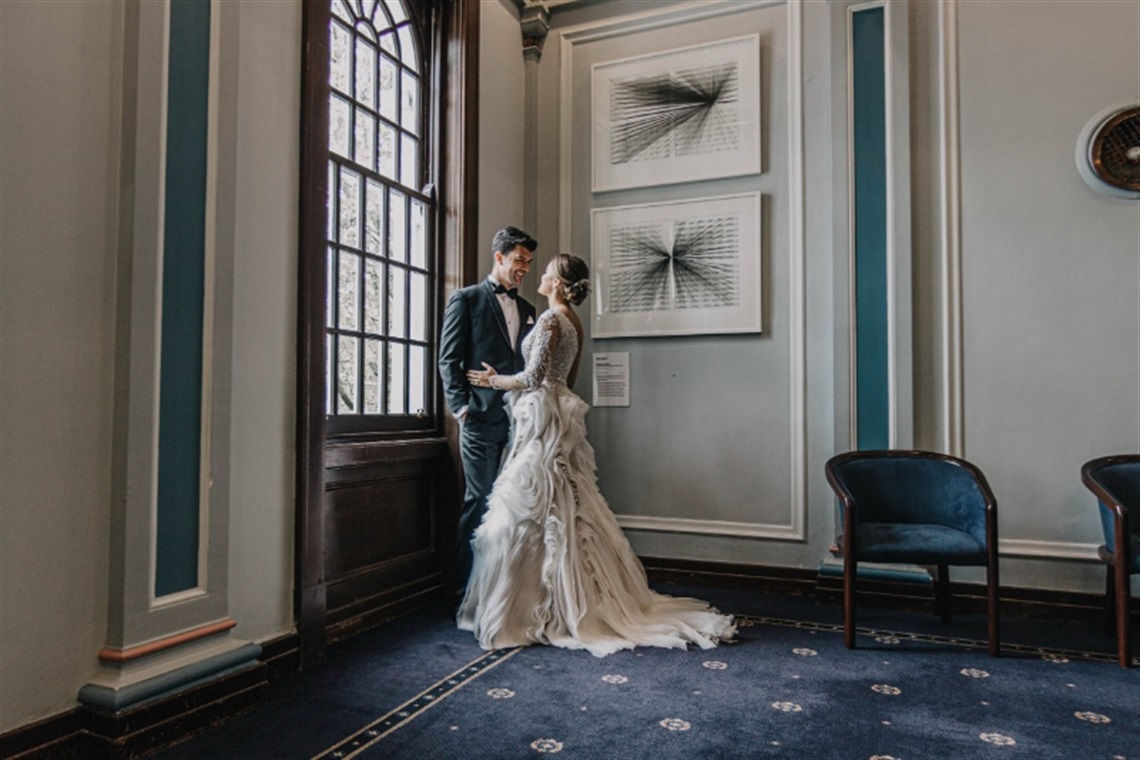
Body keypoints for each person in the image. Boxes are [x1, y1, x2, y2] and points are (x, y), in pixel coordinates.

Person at [459, 254, 735, 657]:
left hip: (542, 417)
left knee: (538, 505)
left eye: (548, 269)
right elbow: (563, 379)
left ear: (558, 281)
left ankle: (538, 607)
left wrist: (491, 379)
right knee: (560, 504)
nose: (542, 273)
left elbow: (534, 378)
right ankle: (552, 598)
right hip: (550, 413)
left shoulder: (553, 319)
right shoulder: (571, 319)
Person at [439, 227, 539, 601]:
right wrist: (462, 409)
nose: (525, 268)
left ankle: (500, 589)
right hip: (479, 419)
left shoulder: (529, 310)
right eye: (519, 260)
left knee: (511, 502)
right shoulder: (465, 299)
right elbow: (448, 359)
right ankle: (464, 593)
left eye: (529, 262)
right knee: (479, 499)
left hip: (520, 421)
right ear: (499, 257)